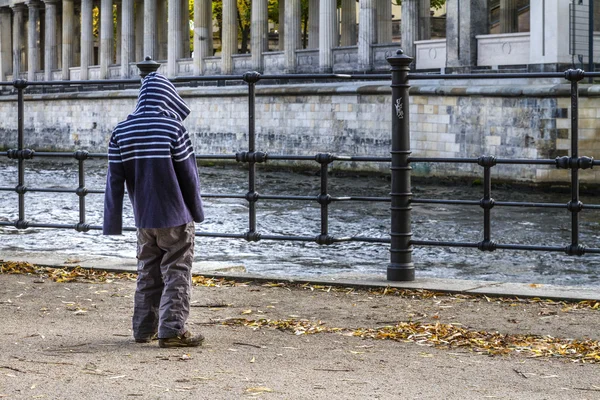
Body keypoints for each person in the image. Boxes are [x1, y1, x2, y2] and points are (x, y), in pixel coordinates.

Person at [103, 72, 205, 348]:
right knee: (177, 270)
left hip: (144, 218)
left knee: (147, 270)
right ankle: (172, 331)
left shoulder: (121, 131)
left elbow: (114, 181)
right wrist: (197, 211)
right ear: (167, 97)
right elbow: (189, 175)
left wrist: (111, 223)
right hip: (175, 215)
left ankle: (143, 329)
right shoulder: (173, 128)